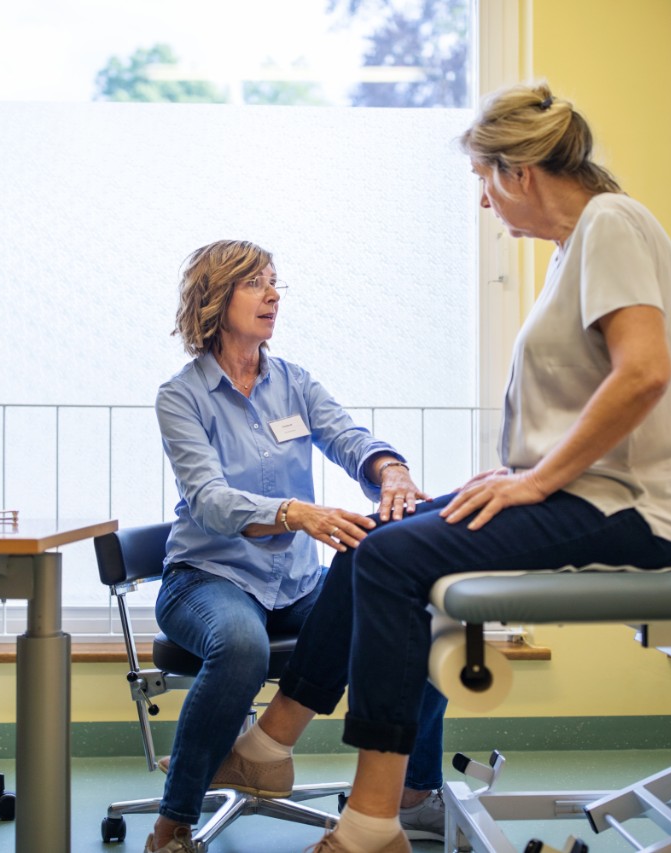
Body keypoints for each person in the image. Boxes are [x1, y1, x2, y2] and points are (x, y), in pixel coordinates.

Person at [216, 80, 671, 853]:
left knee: (388, 557)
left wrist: (538, 478)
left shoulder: (610, 223)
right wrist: (517, 473)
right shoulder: (578, 246)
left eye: (484, 181)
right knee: (379, 530)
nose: (485, 203)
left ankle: (368, 817)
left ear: (518, 171)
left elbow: (644, 372)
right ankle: (275, 744)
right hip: (594, 491)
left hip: (638, 509)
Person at [146, 239, 451, 853]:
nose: (274, 295)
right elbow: (208, 499)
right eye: (256, 283)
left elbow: (347, 437)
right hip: (207, 578)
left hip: (295, 584)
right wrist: (293, 513)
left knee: (416, 620)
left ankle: (414, 795)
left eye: (275, 282)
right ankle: (173, 822)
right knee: (239, 645)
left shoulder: (294, 384)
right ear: (214, 298)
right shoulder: (181, 397)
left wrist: (389, 469)